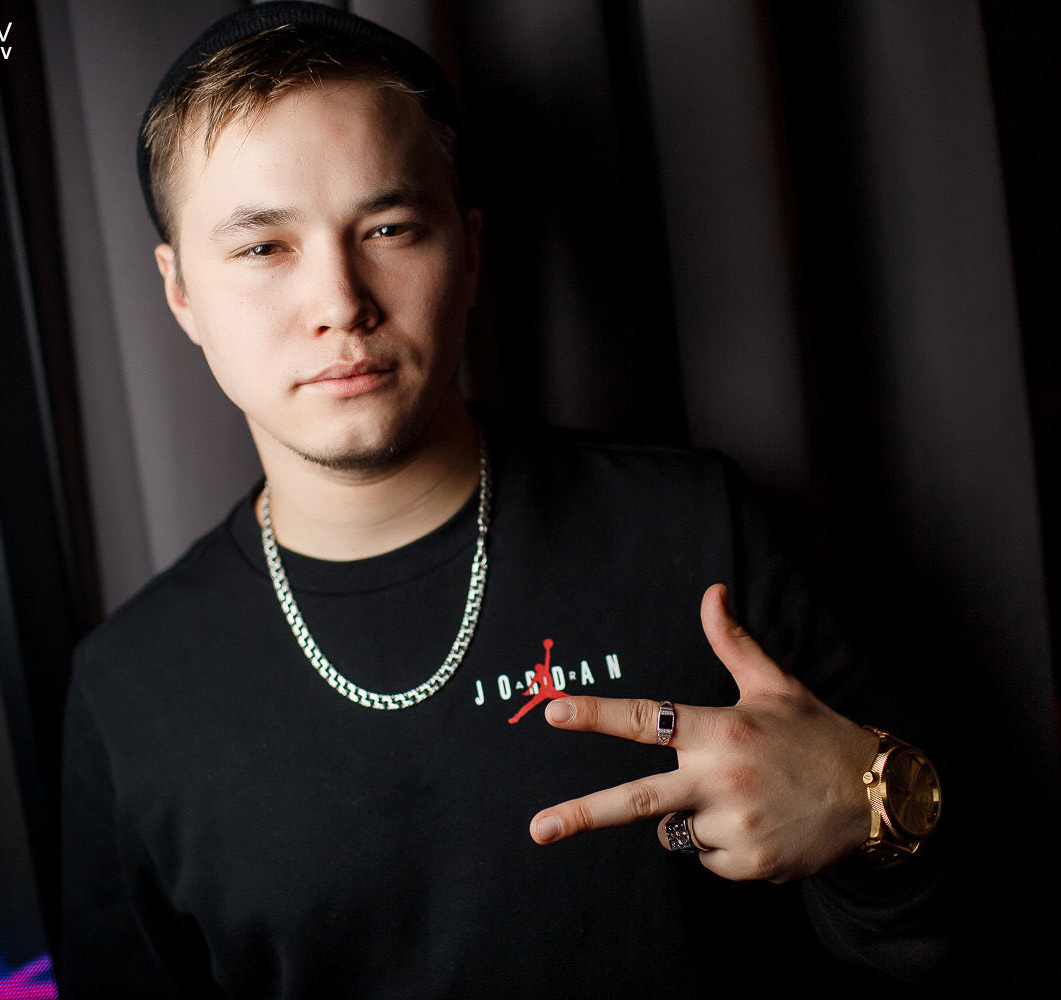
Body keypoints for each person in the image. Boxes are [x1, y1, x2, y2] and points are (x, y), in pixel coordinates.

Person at [59, 4, 951, 996]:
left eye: (389, 228)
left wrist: (869, 810)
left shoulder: (696, 528)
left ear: (470, 249)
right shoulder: (127, 690)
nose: (341, 302)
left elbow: (955, 921)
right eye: (265, 247)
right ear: (180, 291)